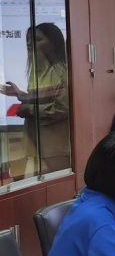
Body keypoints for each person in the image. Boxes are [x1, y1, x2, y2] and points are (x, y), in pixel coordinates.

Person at [0, 23, 70, 177]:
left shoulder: (59, 71)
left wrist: (30, 109)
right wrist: (21, 95)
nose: (30, 44)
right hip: (38, 143)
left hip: (54, 146)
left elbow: (63, 108)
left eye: (37, 40)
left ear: (53, 43)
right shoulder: (38, 72)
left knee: (56, 185)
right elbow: (45, 99)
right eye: (28, 40)